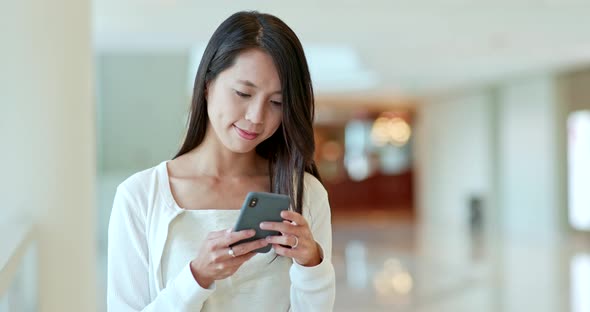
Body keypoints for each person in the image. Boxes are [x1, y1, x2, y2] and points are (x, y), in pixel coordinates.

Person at [107, 10, 336, 311]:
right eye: (243, 93)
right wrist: (197, 277)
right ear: (207, 85)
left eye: (276, 102)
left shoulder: (305, 194)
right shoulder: (140, 196)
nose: (256, 117)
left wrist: (312, 264)